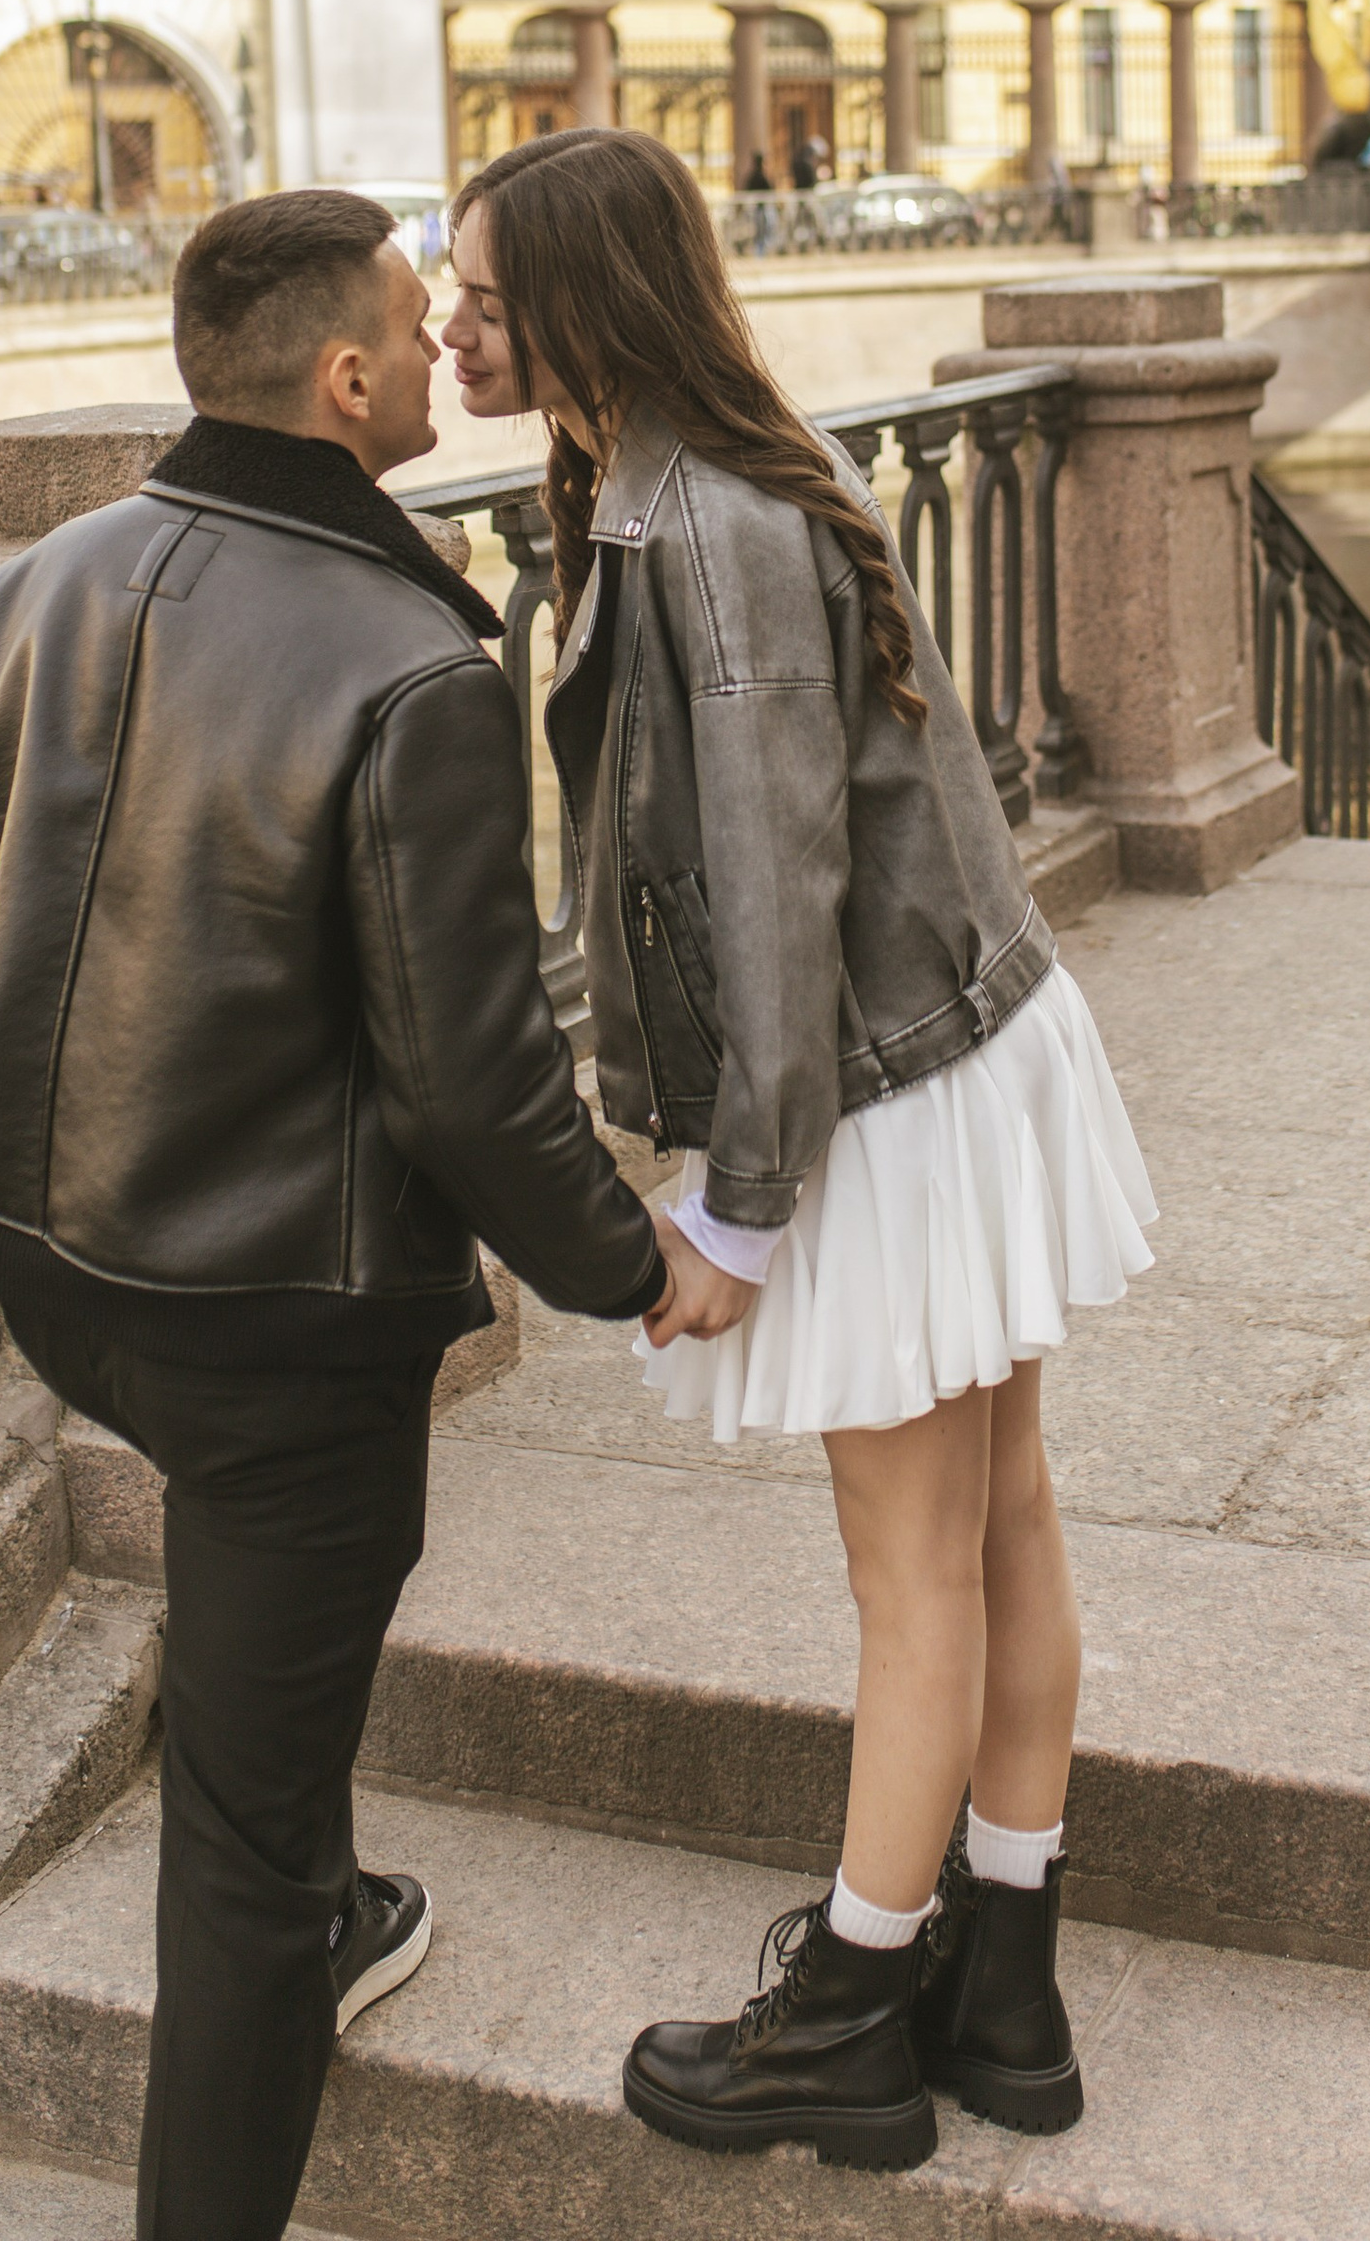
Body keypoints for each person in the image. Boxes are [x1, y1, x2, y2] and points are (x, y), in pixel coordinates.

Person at [0, 187, 664, 2241]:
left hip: (60, 1275)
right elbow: (470, 1073)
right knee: (234, 1843)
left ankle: (330, 1895)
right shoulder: (412, 662)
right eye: (415, 316)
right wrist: (624, 1258)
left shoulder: (48, 577)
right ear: (344, 377)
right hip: (278, 1343)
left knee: (260, 1728)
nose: (439, 345)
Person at [441, 130, 1155, 2176]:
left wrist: (739, 1208)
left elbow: (770, 883)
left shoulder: (702, 526)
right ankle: (1003, 1990)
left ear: (582, 310)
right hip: (959, 1041)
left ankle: (847, 2014)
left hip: (876, 1089)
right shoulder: (719, 471)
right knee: (1003, 1522)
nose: (451, 329)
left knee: (910, 1572)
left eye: (483, 299)